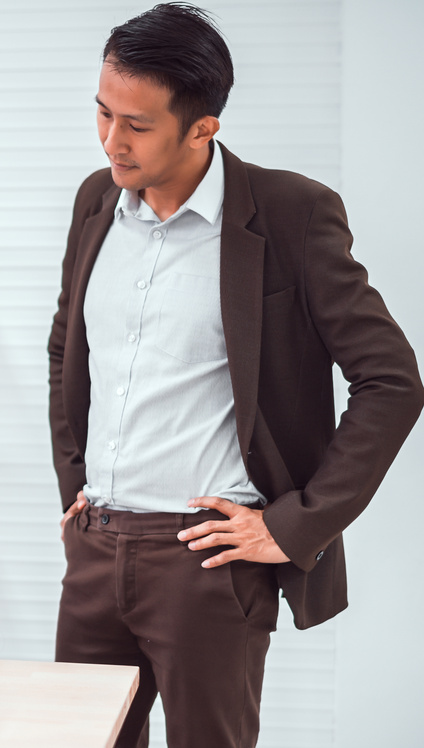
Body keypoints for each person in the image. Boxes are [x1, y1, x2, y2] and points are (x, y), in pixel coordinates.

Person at [47, 4, 424, 747]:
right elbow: (68, 347)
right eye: (102, 112)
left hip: (206, 566)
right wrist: (75, 488)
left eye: (137, 125)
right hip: (94, 552)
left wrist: (292, 529)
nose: (111, 140)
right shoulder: (96, 201)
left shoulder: (290, 215)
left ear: (202, 127)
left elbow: (391, 381)